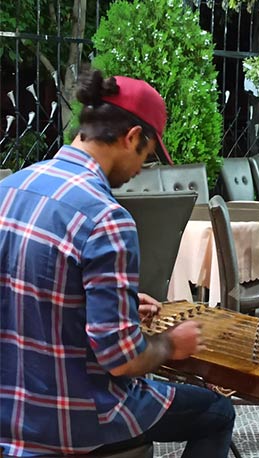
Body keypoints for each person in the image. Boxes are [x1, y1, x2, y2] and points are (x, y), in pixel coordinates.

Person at [0, 69, 235, 457]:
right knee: (217, 411)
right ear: (131, 137)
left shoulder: (8, 190)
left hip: (9, 414)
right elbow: (121, 360)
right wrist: (170, 344)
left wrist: (115, 303)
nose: (141, 168)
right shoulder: (107, 219)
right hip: (76, 420)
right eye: (146, 154)